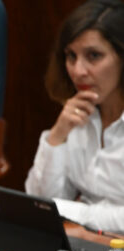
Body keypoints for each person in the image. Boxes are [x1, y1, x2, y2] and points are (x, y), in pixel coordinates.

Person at [25, 0, 124, 234]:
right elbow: (40, 203)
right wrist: (57, 136)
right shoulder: (80, 113)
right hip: (86, 245)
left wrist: (76, 213)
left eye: (93, 56)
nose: (78, 70)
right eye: (71, 56)